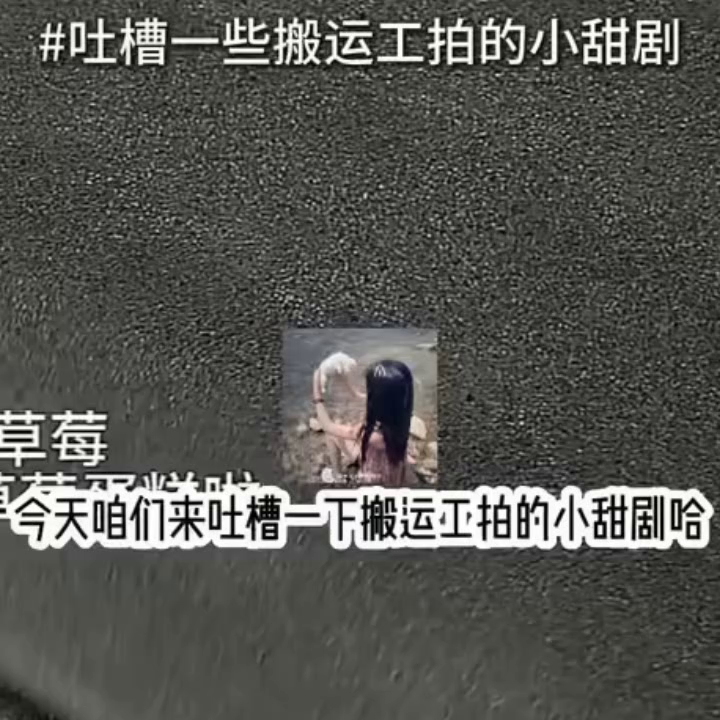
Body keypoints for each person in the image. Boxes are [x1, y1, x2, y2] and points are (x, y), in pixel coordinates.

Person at [312, 353, 418, 486]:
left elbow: (327, 425)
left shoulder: (375, 436)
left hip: (374, 478)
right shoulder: (401, 414)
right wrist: (345, 380)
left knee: (331, 434)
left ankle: (337, 477)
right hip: (392, 465)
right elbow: (360, 396)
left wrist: (317, 395)